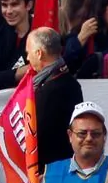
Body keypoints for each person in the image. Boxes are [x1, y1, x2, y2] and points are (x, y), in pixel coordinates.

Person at [28, 27, 83, 170]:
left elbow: (37, 134)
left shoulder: (50, 89)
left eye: (28, 53)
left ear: (39, 53)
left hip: (48, 171)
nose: (27, 58)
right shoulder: (70, 83)